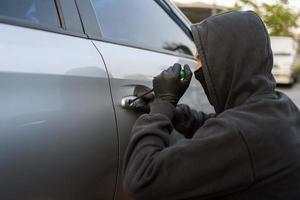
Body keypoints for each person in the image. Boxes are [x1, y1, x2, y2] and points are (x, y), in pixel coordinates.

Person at [122, 11, 300, 200]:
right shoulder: (279, 107)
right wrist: (175, 113)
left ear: (224, 62)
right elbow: (216, 126)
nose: (196, 67)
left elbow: (141, 181)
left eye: (200, 59)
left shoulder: (240, 135)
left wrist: (161, 106)